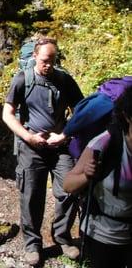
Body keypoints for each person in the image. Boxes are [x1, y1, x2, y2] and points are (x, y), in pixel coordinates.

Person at [2, 37, 84, 266]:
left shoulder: (65, 80)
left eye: (53, 60)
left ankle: (62, 236)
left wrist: (65, 134)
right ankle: (32, 243)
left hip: (60, 146)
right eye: (46, 60)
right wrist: (27, 136)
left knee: (69, 190)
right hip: (32, 147)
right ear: (35, 56)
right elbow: (7, 114)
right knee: (31, 195)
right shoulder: (23, 79)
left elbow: (80, 110)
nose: (49, 64)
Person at [64, 86, 132, 268]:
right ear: (127, 117)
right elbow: (68, 184)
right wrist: (87, 175)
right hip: (104, 236)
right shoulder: (106, 142)